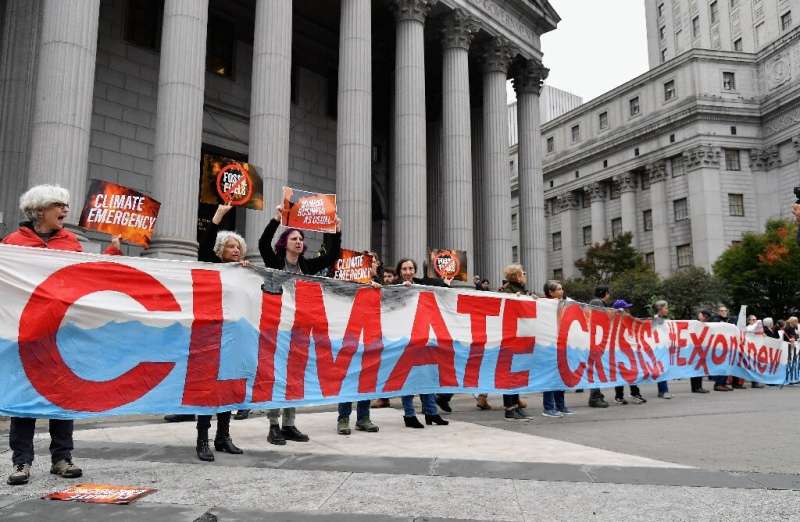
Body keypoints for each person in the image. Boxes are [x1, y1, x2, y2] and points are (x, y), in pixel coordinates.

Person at [4, 184, 122, 486]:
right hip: (25, 335)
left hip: (61, 334)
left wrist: (111, 253)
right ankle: (21, 462)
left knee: (62, 395)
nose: (66, 211)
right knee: (24, 399)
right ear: (40, 209)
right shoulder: (13, 243)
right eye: (60, 205)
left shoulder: (70, 244)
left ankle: (62, 458)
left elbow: (87, 277)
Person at [259, 204, 342, 445]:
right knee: (276, 376)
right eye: (294, 238)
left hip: (299, 329)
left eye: (301, 239)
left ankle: (289, 424)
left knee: (294, 376)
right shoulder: (274, 261)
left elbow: (331, 257)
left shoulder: (306, 266)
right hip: (276, 328)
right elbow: (264, 242)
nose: (298, 241)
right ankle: (273, 425)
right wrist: (276, 218)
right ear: (285, 243)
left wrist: (336, 230)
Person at [193, 204, 247, 461]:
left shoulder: (243, 272)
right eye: (230, 246)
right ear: (220, 250)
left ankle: (223, 436)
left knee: (227, 387)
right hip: (210, 335)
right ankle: (202, 438)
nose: (235, 250)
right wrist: (217, 217)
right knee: (208, 389)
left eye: (238, 247)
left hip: (233, 337)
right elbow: (203, 248)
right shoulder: (211, 265)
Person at [395, 258, 450, 428]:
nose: (408, 271)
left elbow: (441, 290)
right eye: (404, 269)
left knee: (428, 375)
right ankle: (409, 415)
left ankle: (431, 412)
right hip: (405, 339)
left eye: (411, 268)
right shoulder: (393, 289)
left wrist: (446, 283)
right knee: (409, 378)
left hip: (424, 337)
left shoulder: (422, 284)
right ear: (399, 272)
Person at [336, 253, 382, 435]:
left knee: (367, 380)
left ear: (377, 265)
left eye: (374, 261)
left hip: (371, 340)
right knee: (348, 379)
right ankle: (343, 418)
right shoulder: (349, 284)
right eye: (367, 260)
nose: (371, 264)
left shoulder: (381, 286)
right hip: (351, 339)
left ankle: (363, 418)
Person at [498, 264, 534, 421]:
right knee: (510, 374)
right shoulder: (508, 291)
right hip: (510, 337)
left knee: (517, 372)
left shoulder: (522, 291)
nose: (525, 276)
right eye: (523, 274)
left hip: (519, 336)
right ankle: (509, 409)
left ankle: (516, 406)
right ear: (517, 276)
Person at [541, 280, 574, 417]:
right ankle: (548, 407)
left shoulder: (565, 303)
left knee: (561, 375)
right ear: (551, 292)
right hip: (548, 346)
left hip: (561, 344)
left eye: (562, 289)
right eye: (559, 289)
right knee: (550, 376)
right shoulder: (543, 304)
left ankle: (560, 405)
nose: (562, 291)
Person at [611, 300, 647, 405]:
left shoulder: (628, 320)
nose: (628, 311)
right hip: (618, 352)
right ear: (620, 310)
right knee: (621, 374)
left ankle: (634, 394)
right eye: (626, 309)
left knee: (632, 372)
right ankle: (619, 396)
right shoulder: (614, 322)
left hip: (629, 351)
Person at [587, 286, 611, 408]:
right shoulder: (597, 302)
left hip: (597, 339)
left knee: (596, 368)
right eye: (608, 293)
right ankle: (594, 397)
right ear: (605, 294)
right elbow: (601, 319)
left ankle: (596, 395)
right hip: (595, 341)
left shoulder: (597, 302)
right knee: (596, 368)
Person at [652, 300, 673, 399]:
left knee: (662, 368)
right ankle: (664, 390)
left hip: (664, 348)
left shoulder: (664, 320)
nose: (667, 310)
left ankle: (663, 390)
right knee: (661, 368)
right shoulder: (656, 320)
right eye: (666, 308)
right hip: (658, 348)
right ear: (660, 309)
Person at [692, 310, 712, 393]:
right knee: (696, 368)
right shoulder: (693, 324)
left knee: (699, 368)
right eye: (703, 315)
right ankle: (696, 387)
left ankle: (697, 387)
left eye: (706, 316)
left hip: (701, 349)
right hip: (695, 348)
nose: (705, 317)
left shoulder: (706, 325)